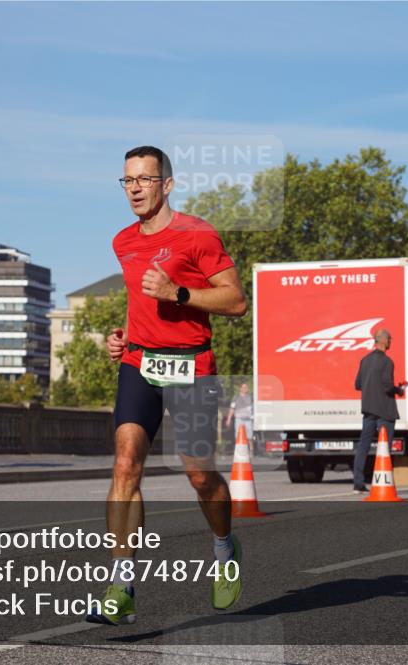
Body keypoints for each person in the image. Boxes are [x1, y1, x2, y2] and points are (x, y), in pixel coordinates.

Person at [86, 146, 248, 626]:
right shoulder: (122, 241)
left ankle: (224, 547)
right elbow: (140, 302)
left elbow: (236, 301)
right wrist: (123, 336)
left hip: (191, 364)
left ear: (167, 185)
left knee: (200, 475)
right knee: (124, 464)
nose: (135, 188)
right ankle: (121, 585)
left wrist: (179, 293)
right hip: (139, 364)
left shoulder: (198, 235)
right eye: (127, 180)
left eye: (145, 179)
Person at [352, 329, 406, 493]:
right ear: (383, 341)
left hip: (368, 410)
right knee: (384, 449)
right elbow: (387, 386)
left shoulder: (365, 360)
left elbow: (358, 385)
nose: (391, 341)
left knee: (363, 447)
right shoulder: (387, 362)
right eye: (390, 339)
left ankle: (358, 484)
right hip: (384, 411)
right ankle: (384, 483)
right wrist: (399, 390)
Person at [224, 383, 253, 450]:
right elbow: (232, 408)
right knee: (238, 435)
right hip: (239, 419)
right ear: (240, 388)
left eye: (246, 387)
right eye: (243, 387)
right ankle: (238, 450)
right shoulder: (236, 397)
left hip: (248, 419)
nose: (245, 389)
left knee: (249, 436)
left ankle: (251, 450)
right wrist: (229, 419)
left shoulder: (250, 397)